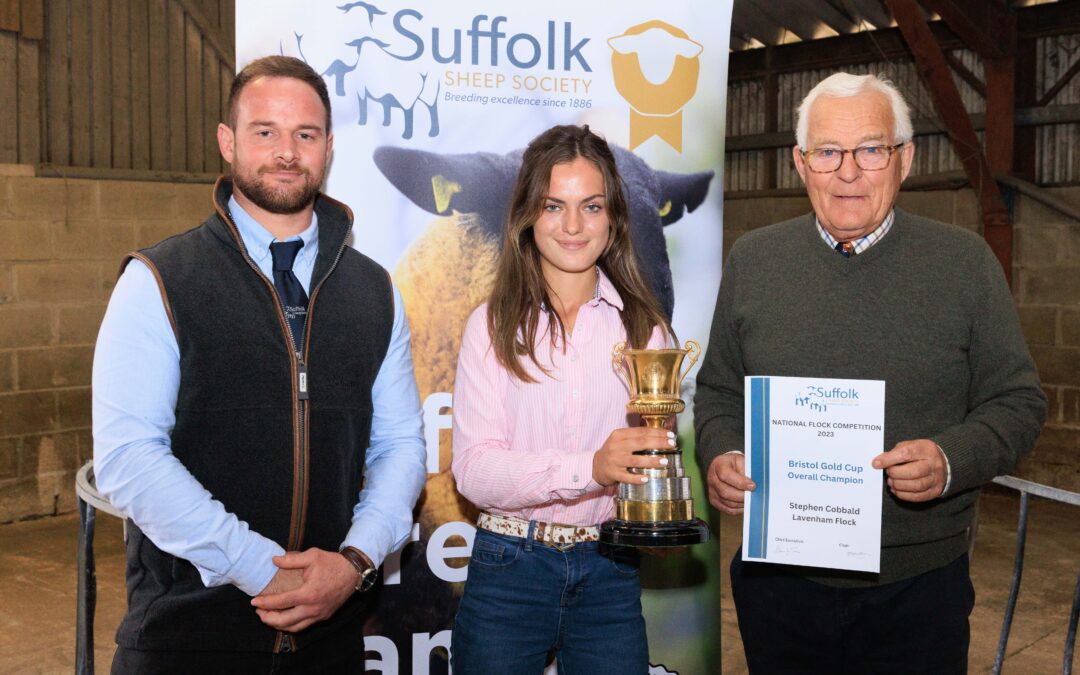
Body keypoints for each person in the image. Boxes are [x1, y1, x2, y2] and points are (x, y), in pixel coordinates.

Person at [694, 72, 1046, 674]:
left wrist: (950, 457)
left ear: (904, 159)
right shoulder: (754, 260)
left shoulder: (964, 265)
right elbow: (720, 390)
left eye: (871, 149)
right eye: (828, 152)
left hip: (918, 586)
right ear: (801, 163)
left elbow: (1017, 401)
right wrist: (721, 452)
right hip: (778, 583)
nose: (849, 172)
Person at [92, 55, 426, 672]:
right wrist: (259, 570)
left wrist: (352, 564)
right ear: (227, 142)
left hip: (330, 639)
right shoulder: (160, 278)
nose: (286, 152)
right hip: (188, 639)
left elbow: (400, 445)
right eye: (264, 131)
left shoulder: (373, 290)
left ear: (328, 148)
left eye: (305, 134)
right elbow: (129, 457)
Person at [449, 124, 673, 674]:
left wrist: (656, 488)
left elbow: (659, 461)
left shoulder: (647, 333)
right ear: (528, 214)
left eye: (591, 206)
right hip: (508, 568)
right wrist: (590, 468)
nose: (573, 225)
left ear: (613, 217)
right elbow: (474, 472)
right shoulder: (491, 326)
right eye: (554, 205)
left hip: (610, 571)